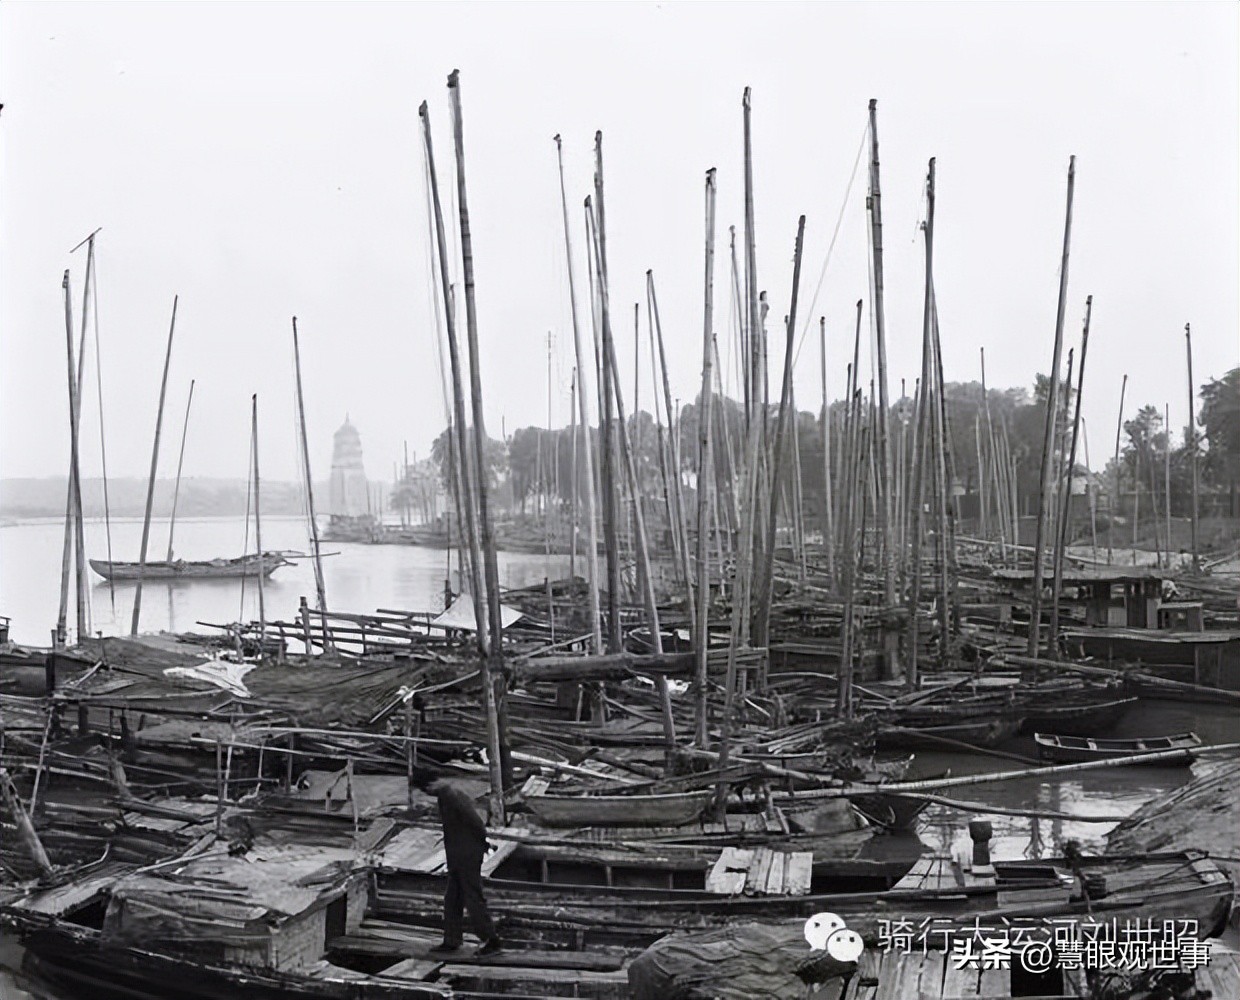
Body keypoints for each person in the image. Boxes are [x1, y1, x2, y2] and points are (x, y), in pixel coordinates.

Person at [412, 770, 503, 956]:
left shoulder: (451, 795)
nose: (427, 794)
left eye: (426, 790)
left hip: (466, 854)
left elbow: (475, 821)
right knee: (452, 899)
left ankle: (491, 940)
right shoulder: (445, 796)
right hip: (457, 855)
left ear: (431, 785)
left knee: (473, 898)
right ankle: (451, 940)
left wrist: (482, 843)